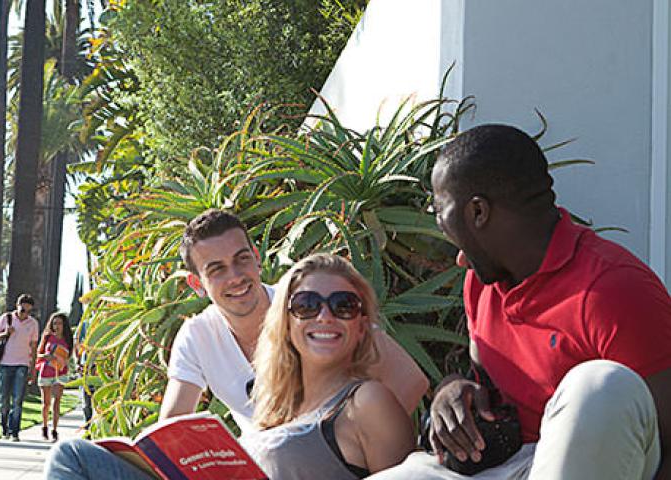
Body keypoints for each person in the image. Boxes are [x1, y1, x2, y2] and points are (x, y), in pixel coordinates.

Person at [370, 124, 671, 479]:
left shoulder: (615, 287)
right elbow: (486, 382)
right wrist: (452, 391)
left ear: (477, 212)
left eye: (439, 210)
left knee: (599, 384)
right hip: (505, 466)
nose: (438, 224)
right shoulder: (481, 283)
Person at [45, 209, 429, 479]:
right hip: (248, 465)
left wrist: (335, 446)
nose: (236, 277)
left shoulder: (305, 307)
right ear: (198, 284)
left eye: (242, 259)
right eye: (216, 269)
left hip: (297, 462)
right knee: (71, 456)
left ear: (257, 259)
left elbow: (410, 381)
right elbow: (172, 430)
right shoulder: (198, 336)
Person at [240, 253, 414, 479]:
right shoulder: (275, 408)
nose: (325, 316)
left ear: (361, 327)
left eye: (343, 305)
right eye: (307, 305)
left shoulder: (367, 402)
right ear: (287, 323)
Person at [0, 294, 40, 442]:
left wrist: (33, 370)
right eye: (22, 309)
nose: (24, 313)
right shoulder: (6, 318)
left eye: (27, 311)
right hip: (5, 364)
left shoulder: (33, 324)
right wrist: (6, 333)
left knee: (18, 399)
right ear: (17, 305)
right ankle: (4, 428)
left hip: (22, 364)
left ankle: (14, 432)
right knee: (4, 398)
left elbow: (33, 347)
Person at [37, 312, 74, 442]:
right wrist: (46, 357)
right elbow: (38, 354)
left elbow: (69, 357)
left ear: (64, 325)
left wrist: (61, 360)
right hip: (46, 371)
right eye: (54, 323)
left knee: (57, 401)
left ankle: (55, 430)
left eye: (59, 323)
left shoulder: (68, 340)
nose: (56, 326)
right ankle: (45, 427)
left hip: (60, 373)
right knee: (46, 403)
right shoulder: (47, 337)